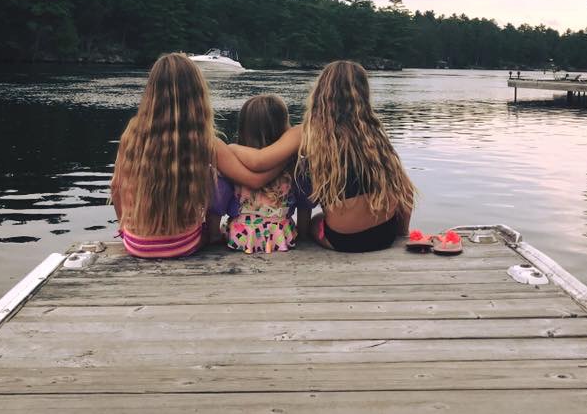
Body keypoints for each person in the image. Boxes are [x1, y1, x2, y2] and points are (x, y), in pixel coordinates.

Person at [110, 53, 284, 259]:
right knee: (223, 182)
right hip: (184, 244)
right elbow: (254, 180)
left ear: (151, 93)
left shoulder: (132, 134)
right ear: (197, 95)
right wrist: (287, 157)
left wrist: (125, 230)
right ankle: (212, 234)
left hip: (136, 244)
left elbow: (116, 187)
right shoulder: (206, 142)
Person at [229, 60, 414, 253]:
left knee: (316, 221)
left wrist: (231, 148)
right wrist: (402, 232)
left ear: (320, 93)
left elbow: (259, 161)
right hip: (386, 234)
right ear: (364, 94)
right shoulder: (374, 135)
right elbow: (406, 192)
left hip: (343, 240)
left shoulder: (308, 132)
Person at [223, 94, 313, 253]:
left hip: (241, 237)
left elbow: (220, 201)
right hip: (280, 237)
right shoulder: (295, 164)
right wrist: (304, 234)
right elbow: (304, 204)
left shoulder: (234, 161)